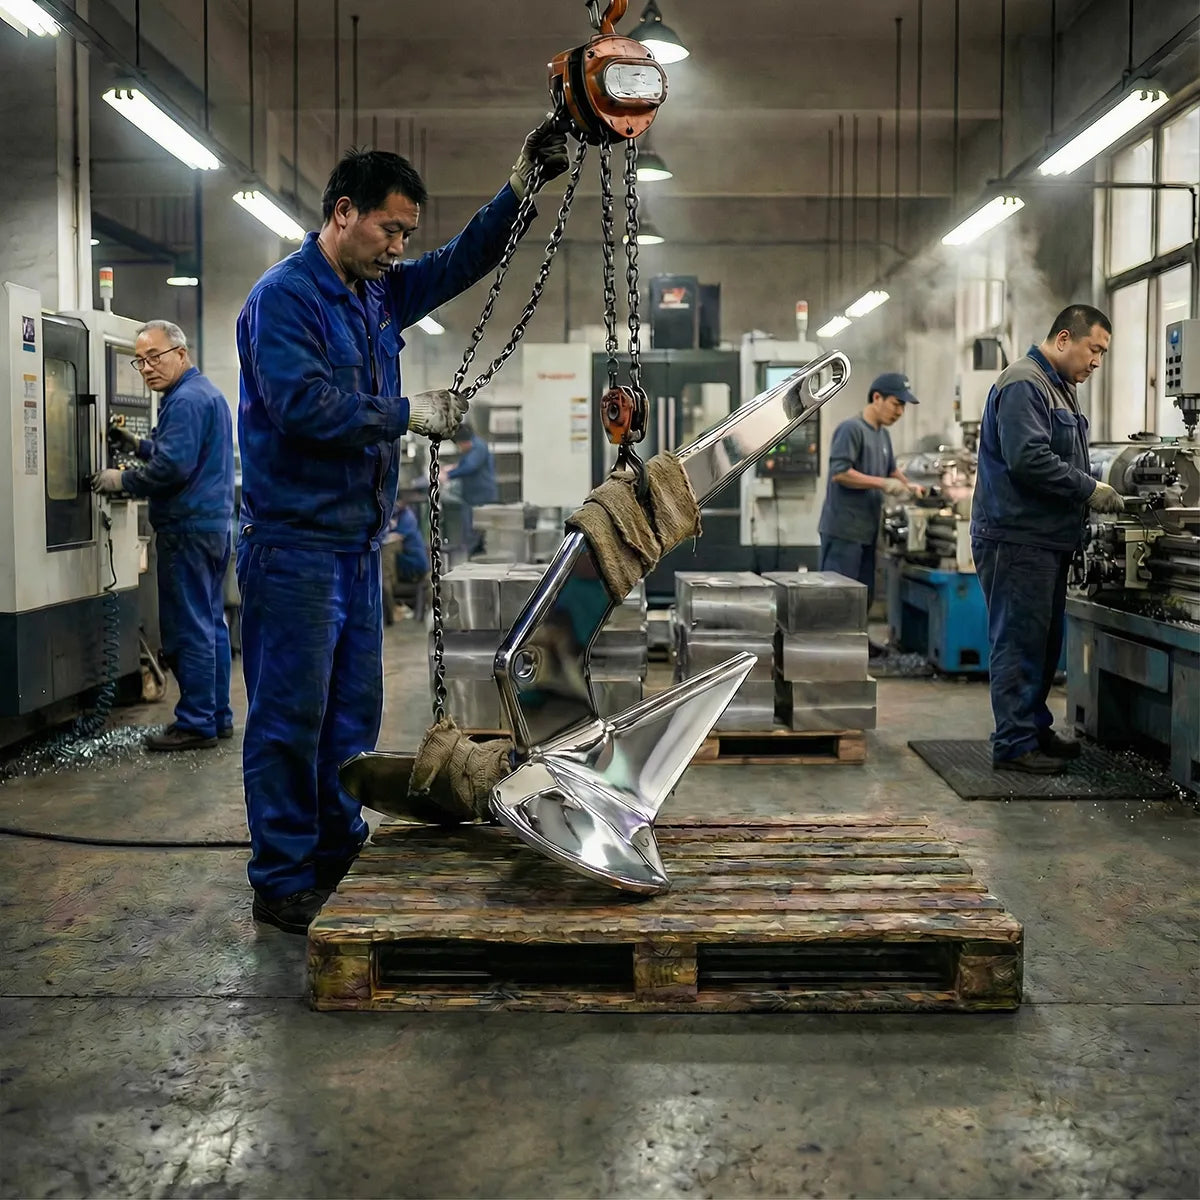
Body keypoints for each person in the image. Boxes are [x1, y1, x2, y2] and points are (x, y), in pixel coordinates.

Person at [235, 123, 568, 934]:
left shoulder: (376, 291)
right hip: (293, 548)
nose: (399, 246)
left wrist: (519, 190)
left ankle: (336, 850)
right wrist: (404, 413)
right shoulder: (284, 298)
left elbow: (457, 266)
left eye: (406, 233)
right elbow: (301, 406)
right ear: (342, 212)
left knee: (349, 714)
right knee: (289, 717)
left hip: (354, 547)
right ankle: (282, 876)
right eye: (390, 228)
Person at [972, 304, 1124, 776]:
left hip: (1045, 539)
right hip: (1017, 538)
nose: (1097, 362)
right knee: (1019, 641)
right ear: (1064, 339)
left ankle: (1033, 728)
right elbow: (1028, 459)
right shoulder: (1024, 383)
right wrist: (1089, 488)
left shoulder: (1059, 388)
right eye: (1093, 349)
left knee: (1042, 641)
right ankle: (1014, 744)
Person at [91, 321, 235, 750]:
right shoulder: (203, 393)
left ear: (181, 353)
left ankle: (195, 723)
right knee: (210, 625)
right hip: (211, 528)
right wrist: (137, 445)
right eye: (140, 361)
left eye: (156, 356)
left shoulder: (185, 400)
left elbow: (173, 469)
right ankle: (216, 715)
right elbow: (178, 453)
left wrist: (120, 479)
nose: (148, 368)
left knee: (188, 628)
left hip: (186, 530)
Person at [817, 371, 925, 613]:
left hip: (867, 532)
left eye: (903, 407)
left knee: (863, 598)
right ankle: (833, 650)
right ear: (877, 398)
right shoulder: (851, 429)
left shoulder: (882, 435)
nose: (900, 412)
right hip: (844, 532)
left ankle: (857, 649)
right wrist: (883, 484)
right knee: (837, 599)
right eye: (897, 404)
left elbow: (891, 470)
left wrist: (910, 487)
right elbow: (841, 473)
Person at [441, 421, 497, 553]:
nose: (460, 448)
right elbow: (464, 464)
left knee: (476, 535)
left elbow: (470, 466)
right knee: (470, 533)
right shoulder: (473, 448)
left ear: (463, 442)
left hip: (481, 499)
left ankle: (476, 561)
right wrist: (453, 467)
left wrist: (449, 475)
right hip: (471, 498)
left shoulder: (478, 447)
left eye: (459, 445)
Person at [381, 498, 429, 621]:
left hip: (414, 567)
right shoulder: (400, 516)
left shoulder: (407, 517)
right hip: (408, 562)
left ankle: (390, 611)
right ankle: (390, 609)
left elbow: (394, 537)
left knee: (385, 566)